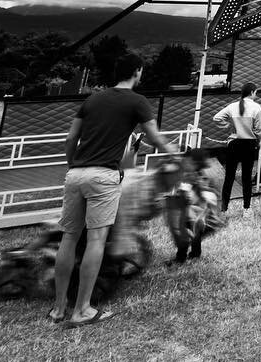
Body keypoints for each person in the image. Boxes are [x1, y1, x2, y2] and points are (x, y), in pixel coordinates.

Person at [52, 54, 179, 328]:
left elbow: (71, 137)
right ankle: (82, 309)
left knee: (69, 238)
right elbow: (155, 138)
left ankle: (59, 307)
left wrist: (72, 163)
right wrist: (176, 154)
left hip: (75, 174)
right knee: (97, 240)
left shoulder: (93, 99)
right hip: (104, 176)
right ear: (136, 72)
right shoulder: (137, 101)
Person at [212, 82, 261, 212]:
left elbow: (216, 118)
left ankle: (224, 208)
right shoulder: (256, 107)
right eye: (255, 92)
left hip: (234, 144)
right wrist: (258, 141)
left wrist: (229, 127)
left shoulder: (232, 106)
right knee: (247, 178)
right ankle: (246, 208)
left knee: (229, 176)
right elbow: (259, 129)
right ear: (252, 92)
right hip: (249, 144)